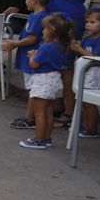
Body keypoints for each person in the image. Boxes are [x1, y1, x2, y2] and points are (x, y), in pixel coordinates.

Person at [24, 0, 99, 127]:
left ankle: (68, 113)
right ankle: (52, 107)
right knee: (48, 66)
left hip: (67, 20)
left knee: (65, 68)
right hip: (47, 20)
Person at [20, 14, 72, 149]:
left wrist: (32, 56)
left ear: (52, 29)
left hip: (43, 81)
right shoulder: (62, 46)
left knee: (39, 113)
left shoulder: (47, 46)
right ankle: (47, 138)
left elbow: (34, 64)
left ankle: (38, 139)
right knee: (48, 111)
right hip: (54, 80)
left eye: (44, 29)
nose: (42, 31)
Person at [4, 0, 51, 129]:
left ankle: (30, 118)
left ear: (34, 0)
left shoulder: (40, 18)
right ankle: (30, 116)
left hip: (33, 58)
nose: (25, 1)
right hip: (28, 57)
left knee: (33, 90)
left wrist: (15, 43)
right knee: (31, 89)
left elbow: (32, 39)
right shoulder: (34, 16)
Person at [69, 8, 100, 138]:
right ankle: (85, 124)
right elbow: (82, 54)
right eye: (87, 22)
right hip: (85, 72)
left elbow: (95, 57)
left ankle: (91, 128)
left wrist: (80, 49)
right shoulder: (87, 38)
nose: (87, 25)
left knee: (90, 102)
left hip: (96, 75)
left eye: (92, 22)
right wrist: (77, 47)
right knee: (83, 101)